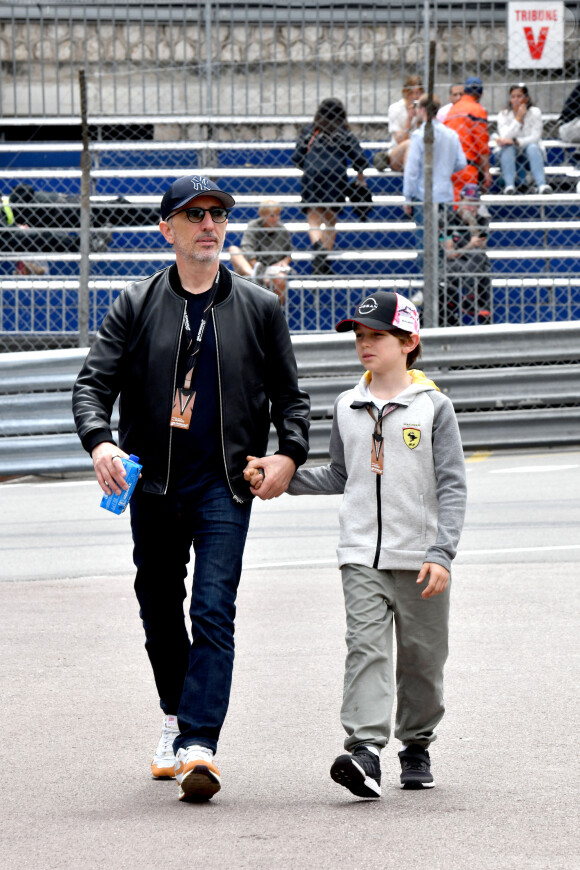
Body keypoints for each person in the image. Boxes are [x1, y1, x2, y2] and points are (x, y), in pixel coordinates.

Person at [72, 174, 310, 803]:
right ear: (167, 229)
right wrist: (101, 443)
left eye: (218, 214)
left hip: (224, 487)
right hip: (151, 488)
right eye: (195, 214)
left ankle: (199, 744)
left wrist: (287, 455)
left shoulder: (260, 307)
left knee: (211, 608)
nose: (210, 224)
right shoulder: (136, 303)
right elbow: (92, 385)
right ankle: (176, 715)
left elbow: (292, 401)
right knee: (157, 604)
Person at [246, 290, 466, 799]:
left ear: (409, 342)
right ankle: (365, 751)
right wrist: (280, 475)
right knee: (365, 650)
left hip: (421, 560)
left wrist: (442, 552)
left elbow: (453, 485)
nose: (365, 344)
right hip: (359, 555)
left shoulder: (435, 407)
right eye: (360, 336)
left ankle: (417, 744)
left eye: (377, 336)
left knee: (422, 661)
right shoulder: (347, 405)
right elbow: (340, 475)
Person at [292, 97, 369, 275]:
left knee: (314, 217)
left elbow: (297, 157)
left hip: (313, 175)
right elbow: (359, 157)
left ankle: (319, 250)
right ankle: (324, 260)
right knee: (330, 219)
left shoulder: (312, 131)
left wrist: (309, 165)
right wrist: (359, 172)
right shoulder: (344, 132)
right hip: (336, 175)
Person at [442, 182, 492, 326]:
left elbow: (481, 247)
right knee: (483, 269)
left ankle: (471, 300)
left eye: (474, 203)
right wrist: (469, 245)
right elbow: (449, 254)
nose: (470, 207)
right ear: (460, 201)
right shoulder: (449, 218)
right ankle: (477, 303)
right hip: (453, 264)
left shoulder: (482, 220)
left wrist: (472, 223)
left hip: (472, 263)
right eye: (468, 202)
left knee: (480, 259)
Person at [228, 199, 292, 305]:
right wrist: (254, 264)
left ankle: (277, 312)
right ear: (262, 214)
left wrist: (283, 262)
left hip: (272, 268)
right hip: (252, 266)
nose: (276, 219)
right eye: (272, 216)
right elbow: (247, 247)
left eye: (278, 215)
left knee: (281, 278)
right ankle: (256, 277)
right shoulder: (253, 226)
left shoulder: (282, 230)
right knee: (233, 250)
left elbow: (288, 254)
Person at [495, 84, 551, 194]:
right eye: (513, 96)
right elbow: (504, 136)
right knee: (508, 148)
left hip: (529, 150)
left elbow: (535, 136)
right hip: (509, 151)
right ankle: (509, 186)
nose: (516, 100)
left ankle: (541, 185)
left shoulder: (535, 112)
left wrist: (517, 141)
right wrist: (518, 119)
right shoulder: (503, 114)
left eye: (519, 96)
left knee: (533, 147)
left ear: (526, 98)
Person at [445, 76, 492, 200]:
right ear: (481, 94)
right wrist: (486, 171)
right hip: (467, 168)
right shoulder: (478, 110)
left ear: (464, 91)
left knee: (453, 208)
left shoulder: (452, 110)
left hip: (448, 167)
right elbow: (481, 145)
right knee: (469, 207)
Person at [373, 75, 424, 173]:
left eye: (418, 93)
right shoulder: (395, 109)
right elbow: (400, 140)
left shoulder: (423, 109)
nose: (414, 97)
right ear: (405, 93)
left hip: (420, 150)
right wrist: (409, 119)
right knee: (409, 144)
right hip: (398, 152)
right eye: (411, 93)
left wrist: (420, 118)